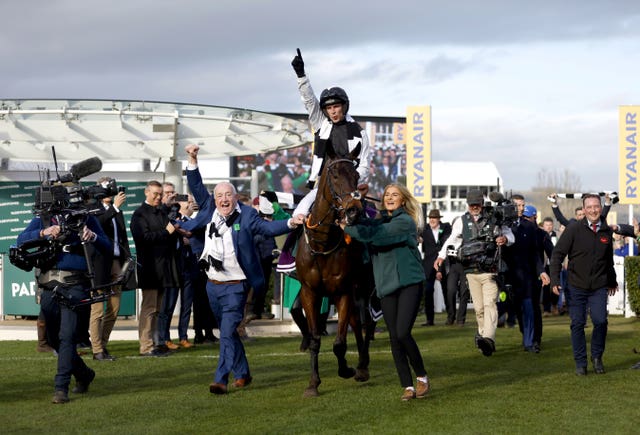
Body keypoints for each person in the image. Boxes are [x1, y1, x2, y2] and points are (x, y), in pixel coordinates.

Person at [182, 144, 303, 395]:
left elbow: (269, 229)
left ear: (235, 197)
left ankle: (220, 379)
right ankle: (244, 373)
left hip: (236, 287)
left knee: (226, 333)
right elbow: (195, 185)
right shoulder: (209, 209)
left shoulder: (247, 215)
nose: (224, 199)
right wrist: (192, 159)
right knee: (227, 334)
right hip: (212, 285)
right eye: (219, 196)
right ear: (214, 199)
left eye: (228, 195)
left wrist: (291, 222)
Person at [277, 48, 372, 271]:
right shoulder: (321, 123)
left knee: (364, 221)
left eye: (336, 106)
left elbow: (365, 164)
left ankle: (367, 270)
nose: (333, 111)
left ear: (344, 106)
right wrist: (301, 75)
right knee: (300, 213)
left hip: (349, 188)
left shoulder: (360, 133)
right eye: (329, 107)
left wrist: (354, 182)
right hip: (322, 185)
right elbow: (309, 101)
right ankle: (289, 260)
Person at [342, 183, 430, 401]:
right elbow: (367, 224)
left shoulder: (404, 222)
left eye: (395, 195)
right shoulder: (382, 220)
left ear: (403, 200)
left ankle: (421, 376)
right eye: (387, 195)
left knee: (402, 333)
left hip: (409, 282)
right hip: (386, 285)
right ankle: (407, 386)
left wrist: (345, 227)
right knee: (394, 337)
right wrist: (357, 204)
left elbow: (376, 235)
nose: (390, 198)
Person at [17, 209, 111, 404]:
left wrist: (92, 236)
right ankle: (84, 374)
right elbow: (21, 240)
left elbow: (107, 246)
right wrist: (43, 232)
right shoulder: (43, 219)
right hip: (49, 286)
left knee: (66, 336)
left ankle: (61, 388)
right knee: (53, 339)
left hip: (75, 285)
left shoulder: (86, 218)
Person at [549, 194, 634, 375]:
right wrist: (555, 280)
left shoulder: (605, 230)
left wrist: (611, 282)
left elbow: (607, 260)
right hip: (576, 285)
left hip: (598, 286)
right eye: (590, 207)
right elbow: (557, 255)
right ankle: (580, 362)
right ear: (584, 209)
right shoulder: (573, 229)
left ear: (600, 208)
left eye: (597, 206)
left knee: (601, 321)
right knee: (578, 323)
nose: (594, 210)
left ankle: (597, 357)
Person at [435, 189, 514, 357]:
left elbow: (509, 234)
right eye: (471, 205)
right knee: (478, 309)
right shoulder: (461, 221)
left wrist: (505, 239)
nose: (474, 207)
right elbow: (452, 240)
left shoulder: (495, 217)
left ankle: (488, 338)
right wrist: (441, 256)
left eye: (477, 204)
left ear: (482, 203)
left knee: (489, 304)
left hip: (490, 271)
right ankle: (483, 338)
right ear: (467, 205)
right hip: (470, 271)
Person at [130, 180, 180, 357]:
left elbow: (169, 233)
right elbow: (143, 238)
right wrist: (167, 232)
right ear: (146, 192)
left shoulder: (160, 212)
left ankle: (155, 343)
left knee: (158, 309)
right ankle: (146, 346)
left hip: (163, 267)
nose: (158, 197)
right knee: (149, 308)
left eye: (160, 194)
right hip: (150, 267)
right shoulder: (139, 215)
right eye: (155, 194)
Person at [90, 178, 131, 361]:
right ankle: (97, 349)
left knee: (114, 308)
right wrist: (114, 208)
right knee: (97, 309)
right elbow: (98, 225)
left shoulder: (117, 211)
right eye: (106, 188)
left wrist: (127, 260)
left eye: (111, 187)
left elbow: (122, 237)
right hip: (99, 264)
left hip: (116, 262)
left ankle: (103, 345)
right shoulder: (93, 208)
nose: (109, 191)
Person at [505, 201, 549, 353]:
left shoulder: (530, 227)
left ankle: (531, 342)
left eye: (522, 205)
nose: (521, 208)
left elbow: (535, 253)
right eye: (517, 205)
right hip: (508, 276)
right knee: (515, 309)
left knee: (530, 308)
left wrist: (541, 271)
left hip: (527, 277)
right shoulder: (503, 226)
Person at [421, 209, 451, 326]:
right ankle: (429, 320)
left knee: (446, 290)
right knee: (428, 291)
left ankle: (450, 317)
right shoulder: (425, 230)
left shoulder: (446, 227)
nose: (432, 220)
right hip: (428, 265)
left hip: (442, 262)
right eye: (430, 218)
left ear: (439, 219)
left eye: (434, 218)